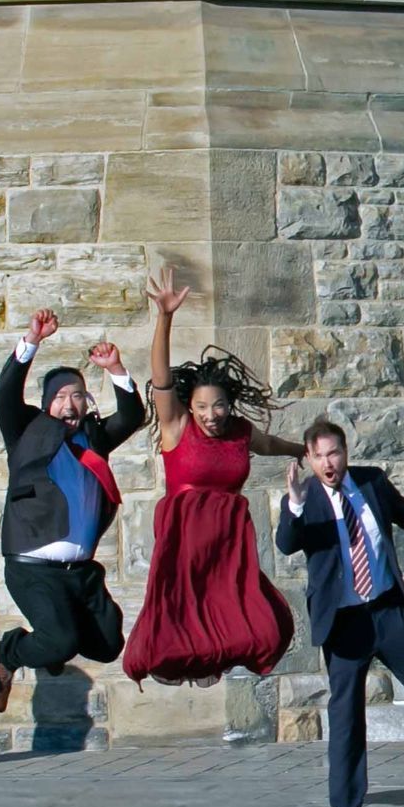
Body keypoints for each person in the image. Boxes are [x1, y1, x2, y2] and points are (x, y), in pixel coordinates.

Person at [122, 267, 303, 686]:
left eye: (218, 406)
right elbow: (162, 379)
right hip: (184, 532)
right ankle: (180, 662)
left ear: (228, 404)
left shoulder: (239, 430)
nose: (210, 415)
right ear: (192, 406)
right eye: (202, 407)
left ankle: (215, 660)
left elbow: (271, 445)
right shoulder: (177, 426)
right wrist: (165, 317)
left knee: (258, 618)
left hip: (228, 537)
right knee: (183, 608)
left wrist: (304, 450)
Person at [276, 418, 404, 807]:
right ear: (308, 459)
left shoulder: (372, 483)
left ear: (345, 453)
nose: (327, 462)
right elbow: (286, 542)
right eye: (318, 456)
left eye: (333, 453)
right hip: (344, 623)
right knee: (346, 717)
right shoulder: (305, 500)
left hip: (386, 609)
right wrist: (296, 505)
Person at [0, 309, 145, 713]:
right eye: (59, 396)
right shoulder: (26, 432)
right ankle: (7, 653)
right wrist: (32, 341)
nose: (69, 403)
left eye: (76, 394)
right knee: (60, 641)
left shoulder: (94, 437)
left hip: (81, 574)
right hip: (33, 567)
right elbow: (5, 394)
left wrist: (116, 368)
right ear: (45, 405)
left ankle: (54, 643)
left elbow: (132, 416)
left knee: (108, 645)